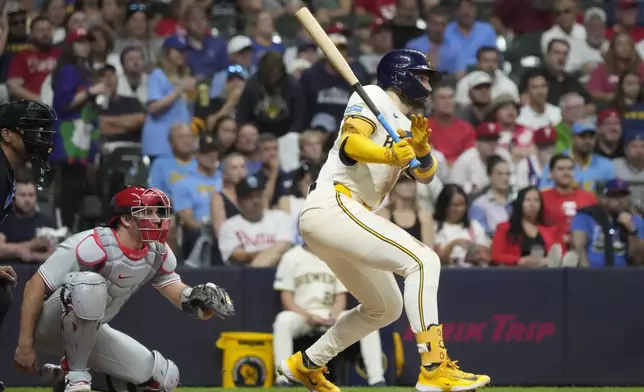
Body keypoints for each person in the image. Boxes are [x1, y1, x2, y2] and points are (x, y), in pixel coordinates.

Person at [281, 49, 490, 392]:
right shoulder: (373, 95)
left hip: (342, 216)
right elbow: (350, 144)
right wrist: (388, 153)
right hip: (334, 203)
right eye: (422, 76)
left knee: (385, 307)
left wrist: (421, 149)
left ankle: (306, 364)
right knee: (424, 260)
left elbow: (425, 175)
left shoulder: (406, 122)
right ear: (400, 75)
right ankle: (435, 366)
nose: (427, 83)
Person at [13, 186, 235, 392]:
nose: (158, 219)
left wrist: (196, 301)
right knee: (89, 283)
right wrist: (25, 344)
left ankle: (62, 377)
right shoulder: (91, 243)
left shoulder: (157, 252)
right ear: (127, 219)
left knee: (164, 379)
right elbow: (34, 286)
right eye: (148, 212)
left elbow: (175, 289)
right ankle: (77, 375)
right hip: (50, 325)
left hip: (91, 332)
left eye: (159, 212)